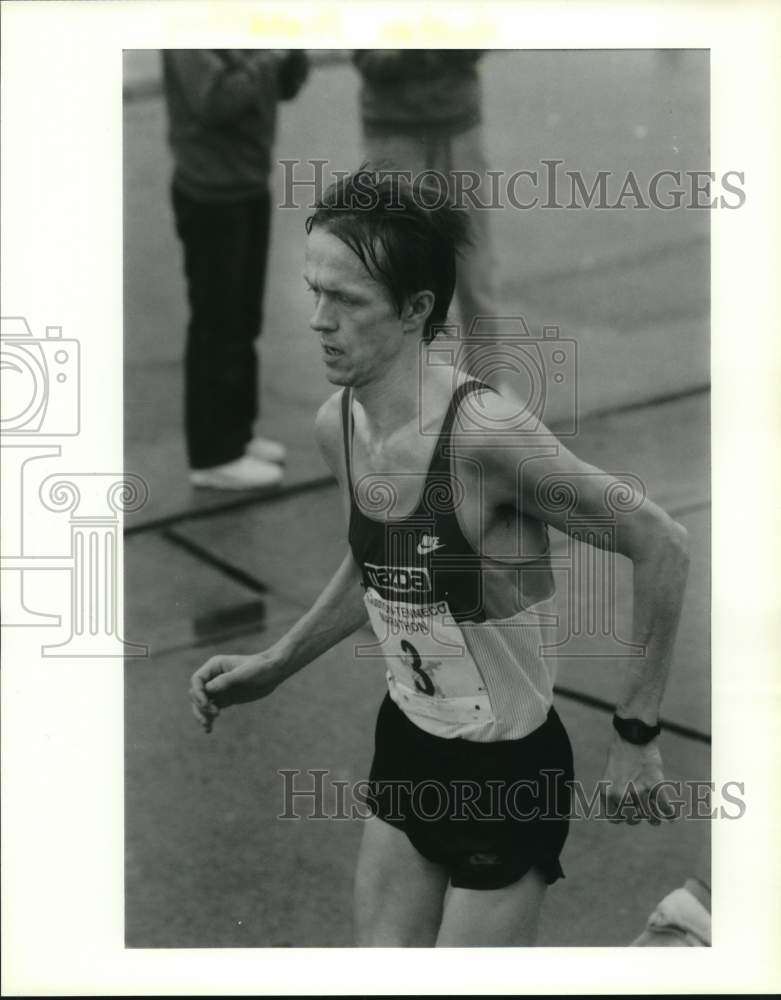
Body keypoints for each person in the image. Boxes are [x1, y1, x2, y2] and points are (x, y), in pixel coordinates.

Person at [189, 169, 690, 947]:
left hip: (507, 772)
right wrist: (278, 661)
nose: (320, 321)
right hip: (409, 741)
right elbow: (377, 566)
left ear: (417, 309)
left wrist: (636, 733)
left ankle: (676, 943)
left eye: (347, 300)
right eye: (313, 292)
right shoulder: (338, 425)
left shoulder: (485, 437)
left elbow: (660, 542)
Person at [163, 49, 309, 489]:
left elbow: (283, 88)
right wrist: (270, 57)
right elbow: (214, 103)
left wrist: (292, 53)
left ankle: (237, 435)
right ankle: (213, 454)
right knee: (217, 322)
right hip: (210, 192)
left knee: (244, 320)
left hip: (248, 183)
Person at [353, 50, 499, 358]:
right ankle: (399, 395)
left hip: (458, 124)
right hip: (393, 128)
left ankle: (487, 391)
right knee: (398, 269)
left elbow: (479, 36)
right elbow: (369, 57)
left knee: (474, 271)